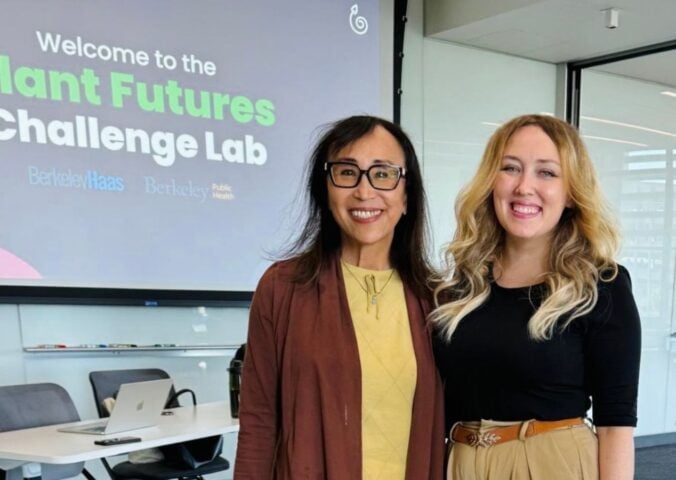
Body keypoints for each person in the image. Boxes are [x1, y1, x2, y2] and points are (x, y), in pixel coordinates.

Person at [431, 114, 641, 480]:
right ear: (490, 181)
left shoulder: (600, 285)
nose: (524, 186)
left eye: (546, 172)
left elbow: (615, 424)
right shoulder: (463, 286)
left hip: (551, 465)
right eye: (510, 168)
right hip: (462, 461)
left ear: (571, 192)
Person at [234, 115, 445, 479]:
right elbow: (259, 421)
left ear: (407, 195)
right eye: (347, 173)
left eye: (383, 173)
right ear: (325, 190)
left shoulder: (437, 299)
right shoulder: (283, 288)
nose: (365, 192)